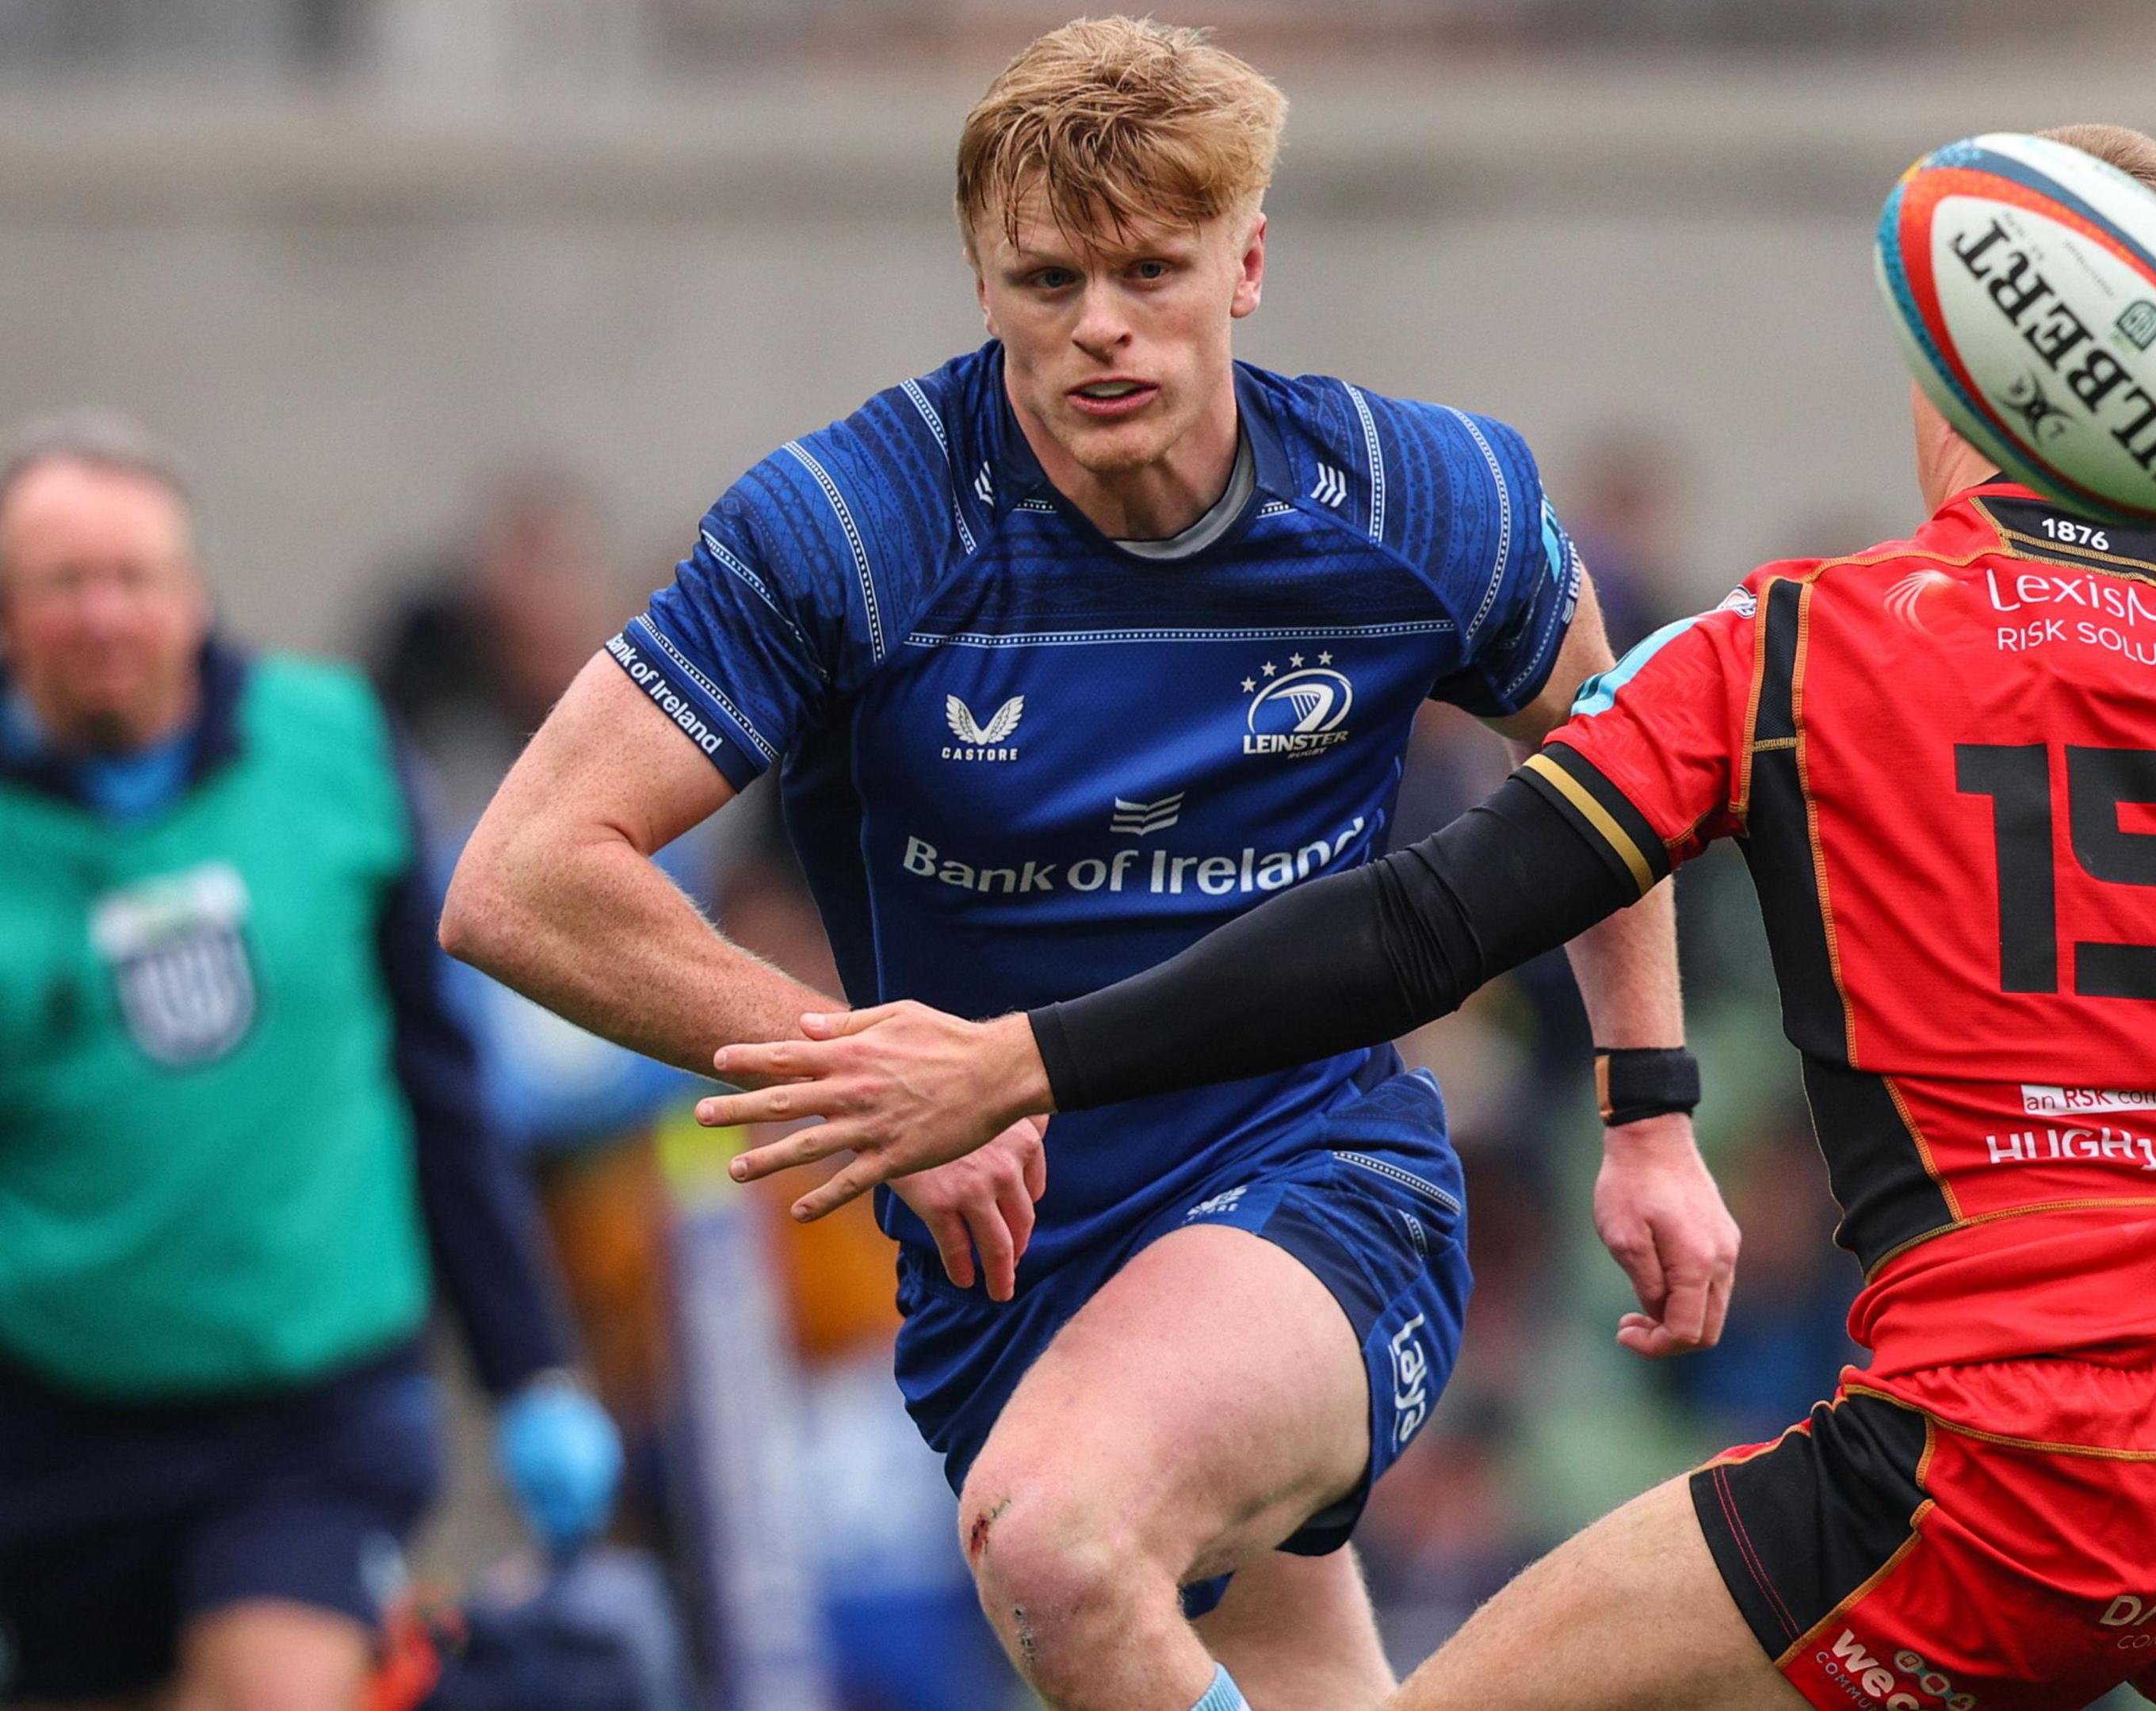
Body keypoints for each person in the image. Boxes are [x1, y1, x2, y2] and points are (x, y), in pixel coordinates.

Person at [714, 127, 2156, 1711]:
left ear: (1958, 345)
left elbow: (1424, 928)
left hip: (2000, 1462)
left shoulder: (1793, 648)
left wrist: (1027, 1054)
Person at [435, 19, 1735, 1711]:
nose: (1101, 327)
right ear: (982, 280)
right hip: (1007, 1267)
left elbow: (1612, 754)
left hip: (1319, 1179)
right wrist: (870, 1082)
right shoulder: (853, 528)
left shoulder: (1426, 497)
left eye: (1151, 269)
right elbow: (520, 877)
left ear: (1248, 261)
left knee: (1056, 1539)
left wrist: (1649, 1111)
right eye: (1048, 280)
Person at [0, 415, 620, 1711]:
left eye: (135, 577)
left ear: (197, 593)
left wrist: (531, 1374)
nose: (105, 614)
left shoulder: (330, 747)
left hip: (312, 1400)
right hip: (55, 1406)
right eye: (64, 584)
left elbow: (440, 1080)